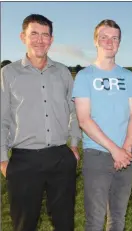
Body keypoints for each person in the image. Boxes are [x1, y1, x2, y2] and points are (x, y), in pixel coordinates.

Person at [0, 14, 81, 231]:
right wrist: (2, 160)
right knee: (24, 224)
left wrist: (73, 145)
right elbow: (2, 118)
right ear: (22, 37)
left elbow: (74, 110)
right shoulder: (8, 73)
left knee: (65, 223)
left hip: (60, 157)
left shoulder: (63, 72)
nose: (40, 40)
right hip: (23, 160)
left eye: (45, 35)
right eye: (34, 34)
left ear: (51, 40)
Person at [72, 19, 132, 231]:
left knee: (118, 219)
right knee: (95, 220)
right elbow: (84, 120)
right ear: (95, 41)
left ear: (119, 43)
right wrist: (115, 150)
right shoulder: (85, 76)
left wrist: (126, 148)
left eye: (114, 38)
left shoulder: (128, 76)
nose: (109, 42)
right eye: (104, 37)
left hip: (125, 157)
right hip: (97, 155)